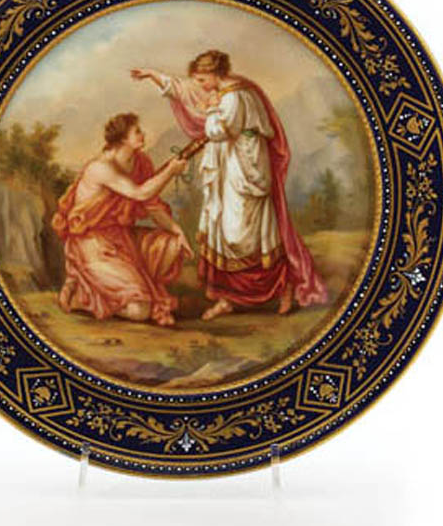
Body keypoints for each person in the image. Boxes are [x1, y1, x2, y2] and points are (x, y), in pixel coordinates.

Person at [131, 49, 327, 320]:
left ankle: (283, 287)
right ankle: (227, 299)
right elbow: (183, 89)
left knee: (243, 234)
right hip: (227, 166)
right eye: (198, 81)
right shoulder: (220, 91)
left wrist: (212, 109)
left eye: (202, 80)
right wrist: (153, 75)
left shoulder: (235, 96)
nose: (200, 87)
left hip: (244, 170)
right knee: (221, 232)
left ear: (215, 74)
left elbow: (218, 130)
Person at [51, 113, 191, 326]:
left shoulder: (140, 162)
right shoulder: (100, 168)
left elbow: (151, 205)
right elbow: (139, 194)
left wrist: (177, 231)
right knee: (140, 311)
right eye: (137, 131)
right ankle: (81, 293)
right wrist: (170, 172)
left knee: (172, 243)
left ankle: (112, 286)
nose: (142, 135)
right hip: (92, 243)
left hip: (122, 239)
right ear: (123, 138)